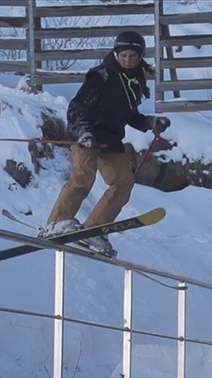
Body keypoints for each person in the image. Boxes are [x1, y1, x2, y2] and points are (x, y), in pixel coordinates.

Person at [39, 31, 171, 256]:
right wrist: (83, 132)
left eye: (132, 56)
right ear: (116, 54)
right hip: (87, 135)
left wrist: (150, 122)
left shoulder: (136, 80)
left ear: (140, 57)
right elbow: (76, 107)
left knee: (123, 182)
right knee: (83, 177)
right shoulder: (102, 76)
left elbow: (129, 114)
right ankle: (57, 223)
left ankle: (93, 231)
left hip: (110, 139)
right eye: (123, 55)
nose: (127, 60)